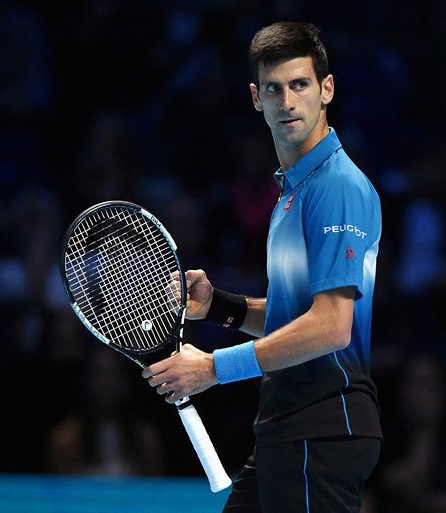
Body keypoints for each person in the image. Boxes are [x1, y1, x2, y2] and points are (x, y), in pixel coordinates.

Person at [141, 21, 383, 513]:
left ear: (326, 89)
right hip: (286, 426)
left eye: (300, 85)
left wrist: (213, 368)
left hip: (322, 425)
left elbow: (331, 327)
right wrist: (219, 307)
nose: (287, 101)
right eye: (273, 89)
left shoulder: (336, 187)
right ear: (256, 98)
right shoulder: (293, 192)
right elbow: (296, 318)